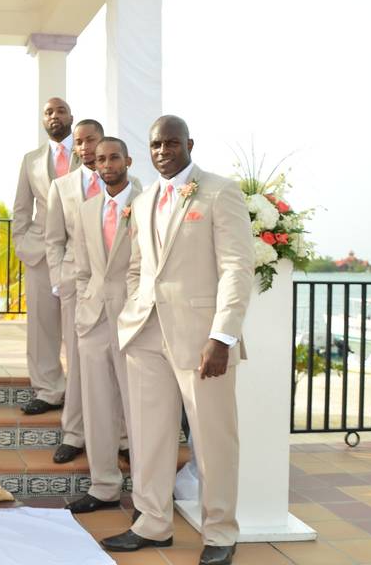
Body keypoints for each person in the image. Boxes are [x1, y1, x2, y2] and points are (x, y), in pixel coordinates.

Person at [101, 116, 254, 565]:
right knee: (149, 436)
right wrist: (133, 309)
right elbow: (137, 266)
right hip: (145, 333)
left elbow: (236, 268)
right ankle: (152, 523)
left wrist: (222, 336)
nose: (163, 151)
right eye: (155, 144)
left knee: (212, 439)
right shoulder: (145, 197)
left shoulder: (220, 192)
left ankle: (221, 532)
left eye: (171, 143)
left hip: (201, 340)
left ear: (189, 144)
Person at [65, 137, 140, 515]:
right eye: (100, 159)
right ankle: (104, 486)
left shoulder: (148, 203)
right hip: (92, 318)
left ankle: (148, 492)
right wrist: (83, 308)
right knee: (97, 407)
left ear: (128, 160)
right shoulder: (87, 209)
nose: (107, 164)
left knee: (140, 407)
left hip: (135, 319)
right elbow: (82, 270)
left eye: (113, 158)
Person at [12, 97, 79, 413]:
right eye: (48, 112)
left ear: (71, 116)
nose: (54, 116)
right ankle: (47, 390)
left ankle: (80, 393)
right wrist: (22, 245)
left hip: (79, 252)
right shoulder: (31, 159)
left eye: (60, 110)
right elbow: (21, 208)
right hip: (39, 252)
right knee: (41, 326)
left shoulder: (87, 152)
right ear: (43, 120)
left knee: (78, 326)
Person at [44, 118, 104, 463]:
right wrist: (58, 279)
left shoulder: (129, 183)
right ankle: (74, 433)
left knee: (117, 361)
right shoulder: (61, 186)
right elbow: (53, 240)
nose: (85, 148)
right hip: (74, 284)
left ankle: (123, 436)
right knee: (78, 360)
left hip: (114, 286)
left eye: (91, 140)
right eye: (79, 142)